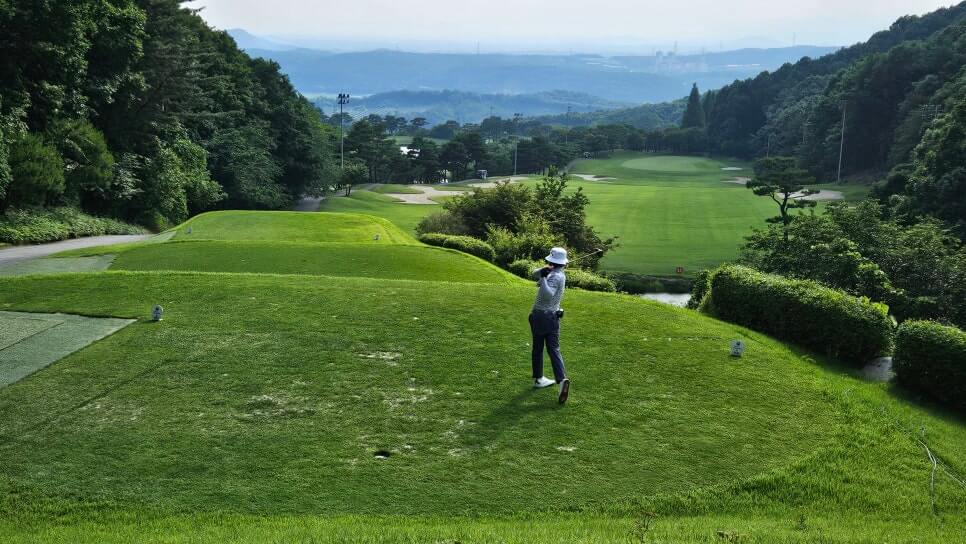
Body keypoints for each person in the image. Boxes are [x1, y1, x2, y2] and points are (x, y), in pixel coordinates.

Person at [529, 247, 570, 404]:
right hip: (551, 317)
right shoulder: (558, 274)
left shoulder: (555, 277)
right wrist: (543, 271)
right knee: (554, 349)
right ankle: (561, 380)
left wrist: (544, 277)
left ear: (552, 261)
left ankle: (539, 379)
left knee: (538, 349)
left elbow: (547, 295)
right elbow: (534, 274)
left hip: (540, 316)